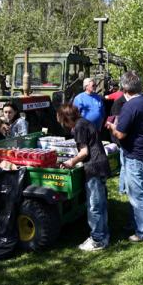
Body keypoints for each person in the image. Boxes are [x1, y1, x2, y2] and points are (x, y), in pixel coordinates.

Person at [106, 71, 143, 242]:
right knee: (139, 191)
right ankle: (135, 223)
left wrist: (111, 127)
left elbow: (121, 134)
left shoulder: (129, 106)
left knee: (137, 195)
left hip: (136, 156)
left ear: (124, 87)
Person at [57, 104, 110, 251]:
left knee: (94, 205)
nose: (64, 125)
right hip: (101, 165)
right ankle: (103, 235)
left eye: (63, 122)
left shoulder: (79, 127)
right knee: (101, 203)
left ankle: (97, 239)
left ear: (66, 119)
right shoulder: (85, 122)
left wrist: (71, 162)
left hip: (94, 167)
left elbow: (84, 152)